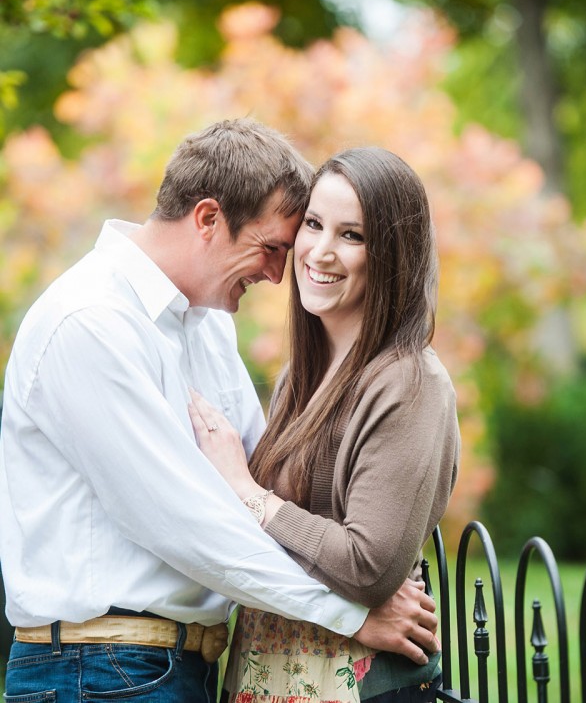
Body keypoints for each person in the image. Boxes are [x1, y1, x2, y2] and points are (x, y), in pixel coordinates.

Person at [0, 120, 439, 703]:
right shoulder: (90, 322)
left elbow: (258, 485)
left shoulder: (205, 328)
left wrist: (368, 564)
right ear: (208, 219)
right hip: (95, 670)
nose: (279, 273)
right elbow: (184, 522)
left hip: (182, 668)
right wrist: (353, 615)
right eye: (272, 247)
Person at [186, 146, 461, 703]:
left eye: (352, 235)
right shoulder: (299, 376)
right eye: (313, 224)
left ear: (392, 254)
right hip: (268, 674)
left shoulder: (409, 384)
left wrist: (249, 494)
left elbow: (368, 568)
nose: (321, 251)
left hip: (357, 686)